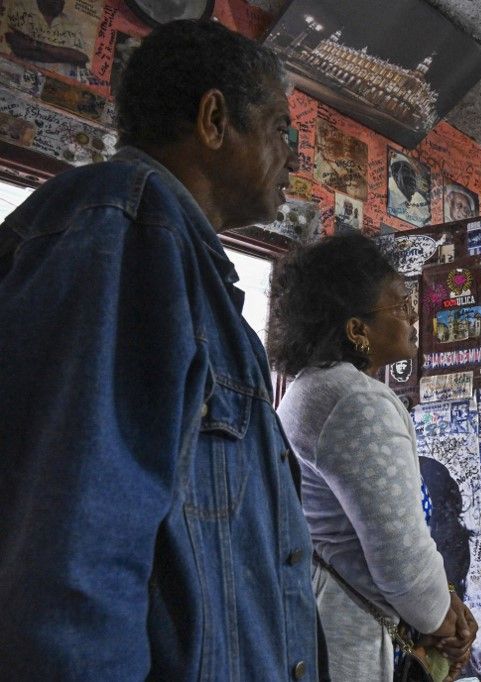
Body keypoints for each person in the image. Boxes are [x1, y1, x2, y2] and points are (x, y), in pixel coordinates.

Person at [0, 20, 322, 679]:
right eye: (282, 130)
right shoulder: (124, 230)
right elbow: (72, 560)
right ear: (214, 120)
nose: (294, 158)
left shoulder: (185, 265)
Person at [268, 233, 477, 682]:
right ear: (357, 330)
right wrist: (449, 626)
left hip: (313, 621)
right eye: (400, 306)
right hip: (345, 641)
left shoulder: (310, 389)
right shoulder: (356, 401)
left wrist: (444, 605)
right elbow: (400, 556)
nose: (413, 317)